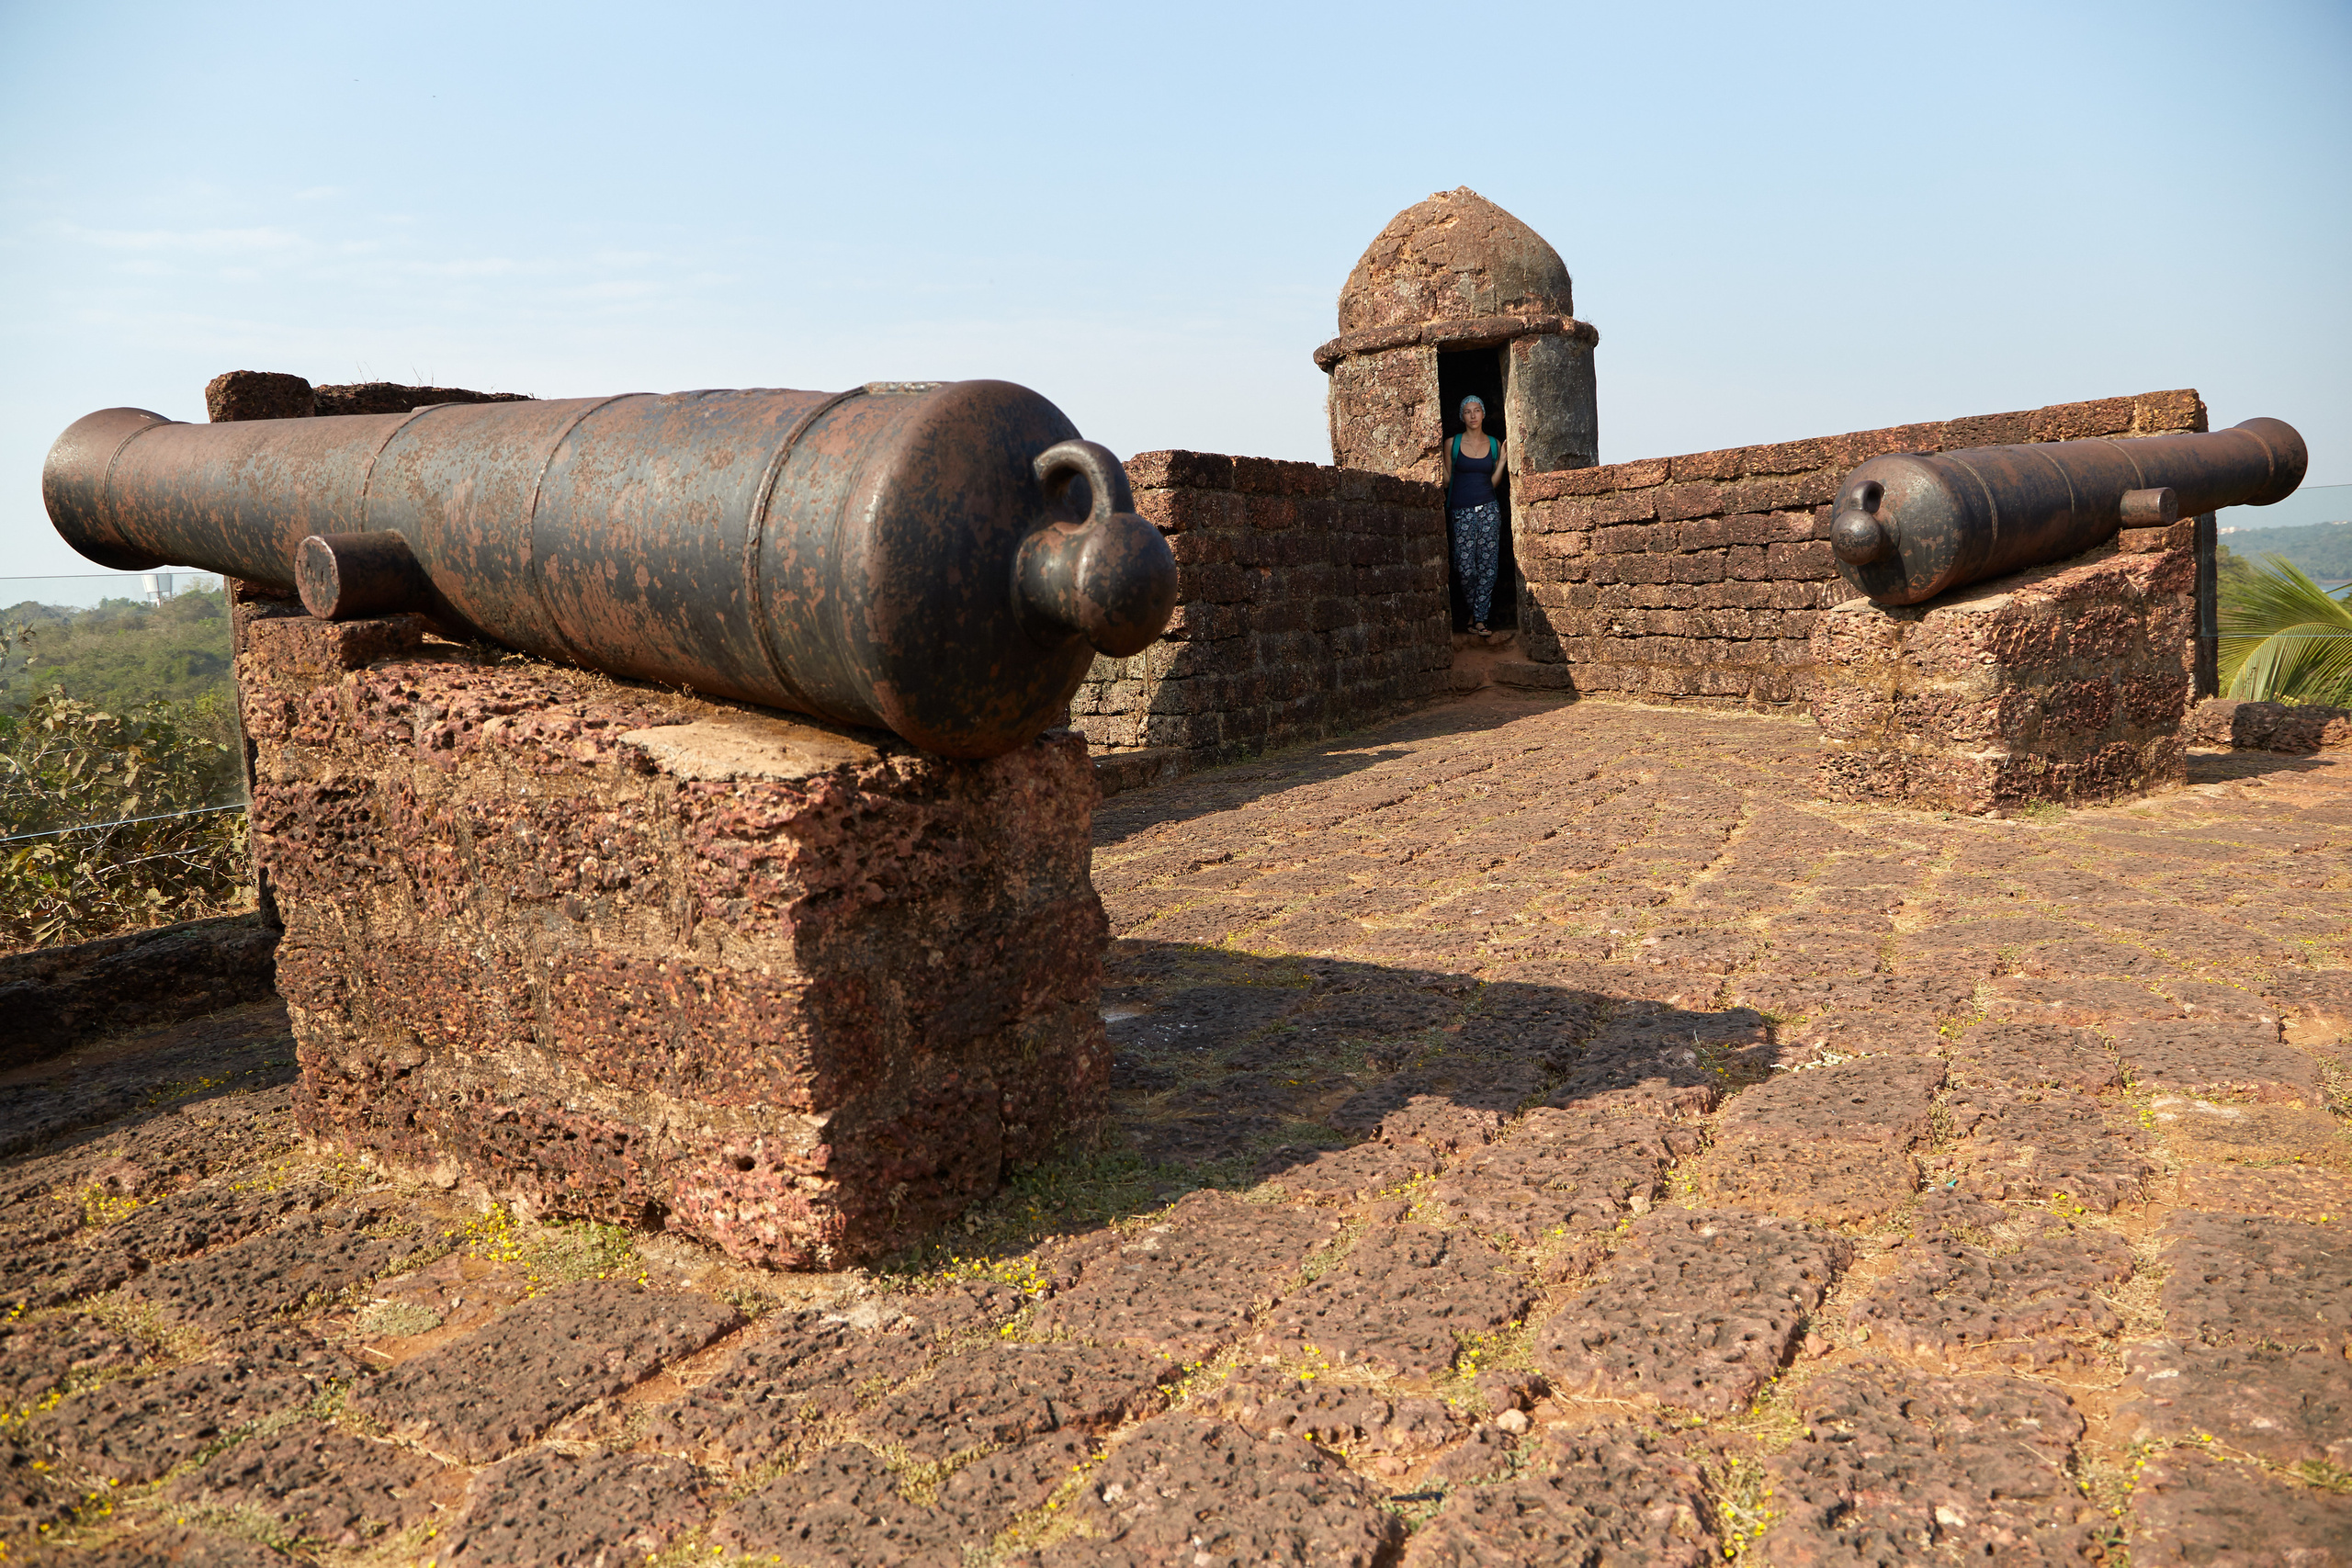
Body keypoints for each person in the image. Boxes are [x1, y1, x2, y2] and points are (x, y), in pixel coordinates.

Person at [1442, 394, 1508, 639]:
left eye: (1477, 410)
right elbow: (1448, 481)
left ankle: (1479, 619)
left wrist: (1501, 462)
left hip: (1489, 509)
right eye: (1467, 411)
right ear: (1462, 416)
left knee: (1488, 567)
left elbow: (1492, 483)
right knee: (1465, 568)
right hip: (1461, 511)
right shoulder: (1452, 443)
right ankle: (1474, 612)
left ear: (1483, 414)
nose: (1472, 415)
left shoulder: (1493, 443)